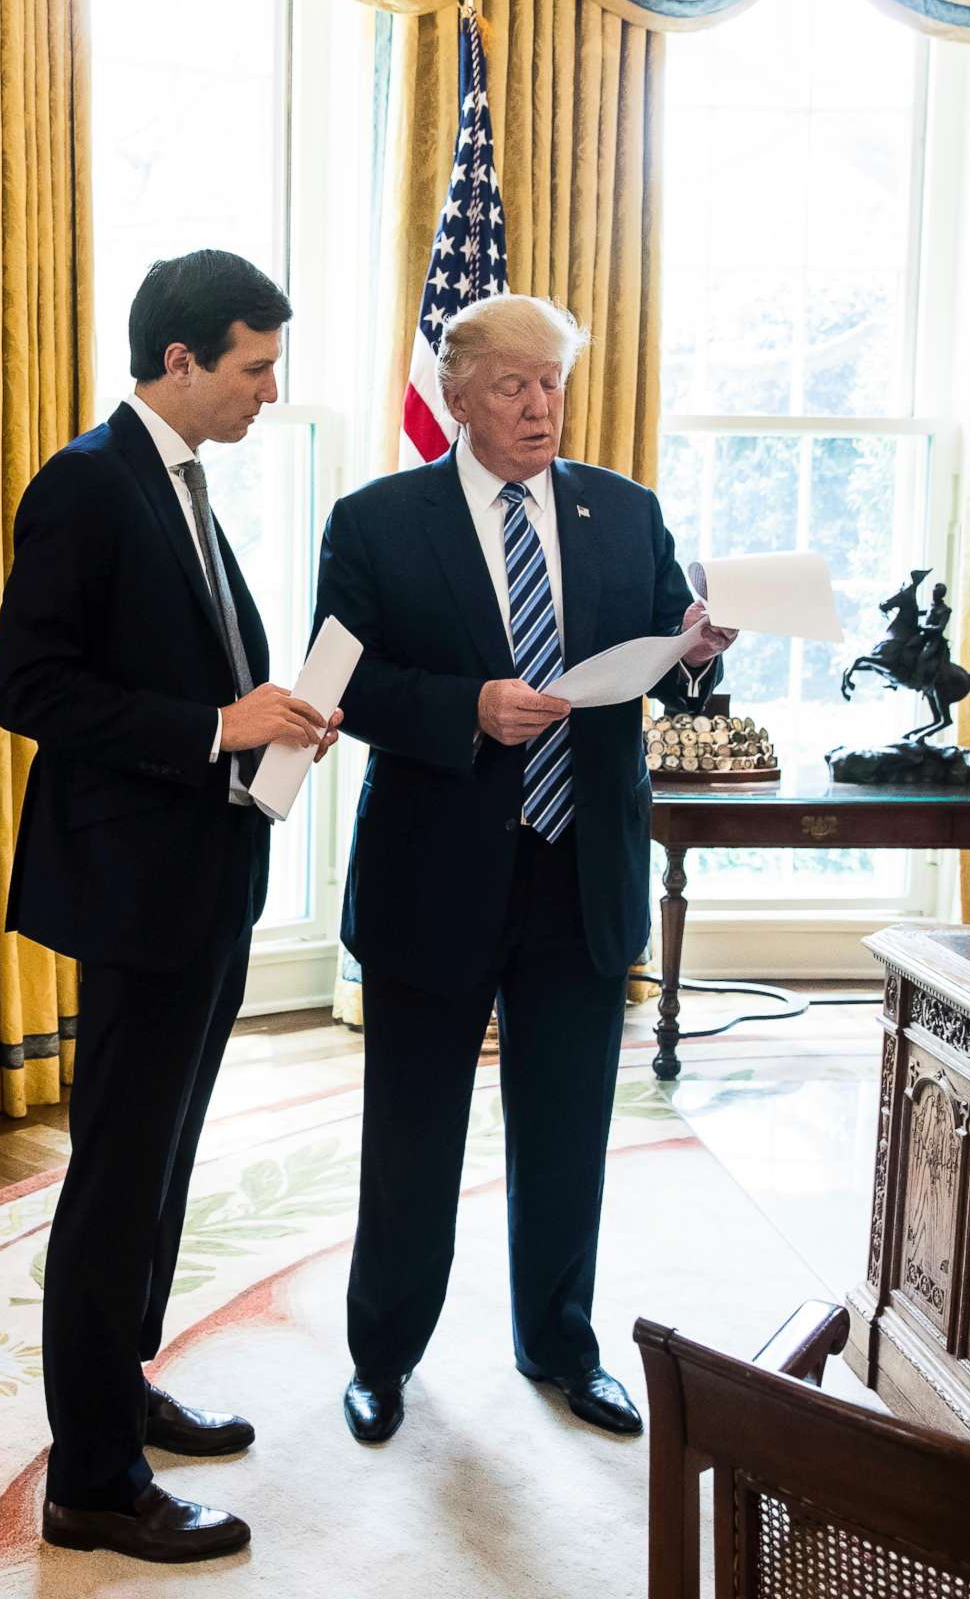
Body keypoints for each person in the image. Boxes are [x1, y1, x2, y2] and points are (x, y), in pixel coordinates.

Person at [313, 293, 734, 1451]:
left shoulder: (625, 511)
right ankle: (382, 1358)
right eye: (514, 384)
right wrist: (466, 708)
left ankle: (560, 1346)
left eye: (552, 382)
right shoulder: (378, 522)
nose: (541, 404)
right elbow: (338, 689)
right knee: (413, 1138)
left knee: (565, 1132)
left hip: (579, 873)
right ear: (458, 397)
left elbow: (669, 657)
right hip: (432, 875)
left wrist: (700, 651)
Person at [0, 249, 341, 1563]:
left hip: (205, 881)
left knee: (166, 1164)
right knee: (116, 1175)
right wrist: (215, 722)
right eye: (255, 367)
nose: (268, 393)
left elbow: (195, 672)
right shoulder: (85, 485)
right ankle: (90, 1479)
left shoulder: (181, 485)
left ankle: (117, 1390)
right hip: (134, 891)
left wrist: (276, 721)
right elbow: (28, 689)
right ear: (181, 360)